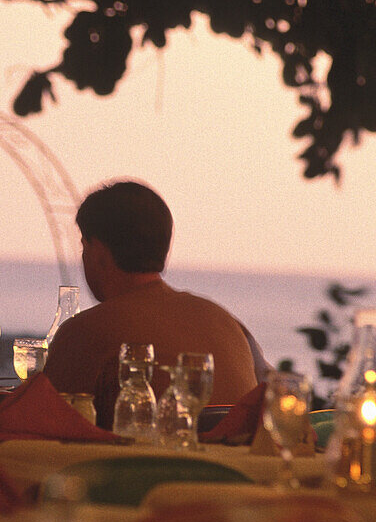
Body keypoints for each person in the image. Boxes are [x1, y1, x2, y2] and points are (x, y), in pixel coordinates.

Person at [44, 180, 260, 427]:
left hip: (140, 465)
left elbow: (41, 427)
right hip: (229, 464)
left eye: (84, 247)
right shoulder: (225, 322)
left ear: (99, 253)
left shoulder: (85, 331)